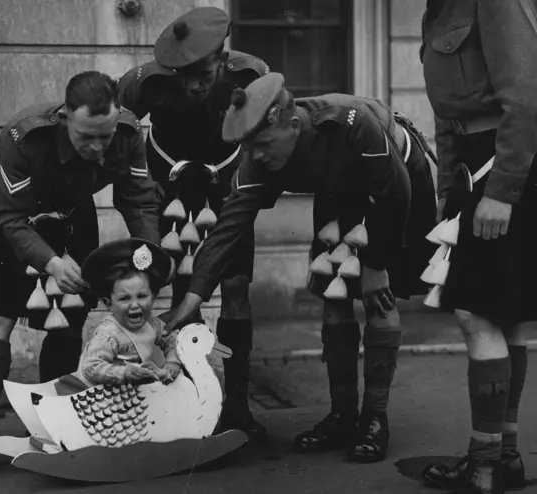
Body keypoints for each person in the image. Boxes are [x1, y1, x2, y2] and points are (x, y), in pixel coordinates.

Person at [165, 72, 438, 463]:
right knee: (333, 290)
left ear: (293, 126)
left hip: (394, 191)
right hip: (338, 190)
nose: (256, 156)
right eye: (249, 147)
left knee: (379, 297)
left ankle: (375, 420)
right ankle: (342, 415)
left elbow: (394, 192)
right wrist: (193, 298)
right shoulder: (259, 157)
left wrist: (377, 266)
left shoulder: (352, 122)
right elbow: (228, 228)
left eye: (263, 145)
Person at [0, 71, 162, 467]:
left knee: (70, 318)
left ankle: (53, 425)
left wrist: (147, 260)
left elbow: (138, 201)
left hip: (71, 211)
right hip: (6, 212)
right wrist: (49, 261)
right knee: (0, 316)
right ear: (65, 120)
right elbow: (8, 218)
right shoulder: (23, 137)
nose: (98, 148)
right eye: (86, 138)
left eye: (106, 136)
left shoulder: (130, 135)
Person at [117, 6, 270, 440]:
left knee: (236, 289)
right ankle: (187, 405)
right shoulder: (144, 83)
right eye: (184, 74)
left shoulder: (249, 75)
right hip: (170, 194)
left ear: (222, 59)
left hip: (227, 191)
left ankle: (237, 408)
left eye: (203, 73)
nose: (195, 84)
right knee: (183, 292)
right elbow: (114, 135)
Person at [418, 1, 537, 492]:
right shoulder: (437, 8)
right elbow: (448, 117)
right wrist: (450, 196)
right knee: (502, 314)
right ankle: (504, 457)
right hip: (472, 168)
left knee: (474, 312)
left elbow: (528, 98)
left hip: (505, 166)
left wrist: (502, 194)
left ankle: (485, 464)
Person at [75, 238, 181, 387]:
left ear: (154, 296)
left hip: (133, 392)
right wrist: (124, 373)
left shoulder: (154, 325)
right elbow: (91, 367)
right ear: (108, 303)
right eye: (125, 298)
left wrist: (172, 361)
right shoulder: (109, 333)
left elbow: (173, 339)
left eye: (142, 296)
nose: (135, 305)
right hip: (104, 394)